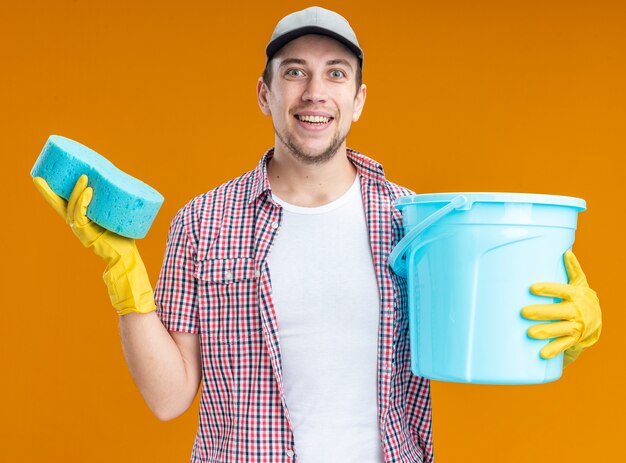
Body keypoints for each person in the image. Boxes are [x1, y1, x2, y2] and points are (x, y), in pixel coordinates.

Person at [33, 6, 602, 463]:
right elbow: (168, 398)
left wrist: (554, 338)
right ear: (265, 94)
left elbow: (479, 332)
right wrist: (125, 274)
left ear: (357, 100)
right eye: (294, 71)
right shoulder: (203, 223)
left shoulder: (413, 219)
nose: (314, 92)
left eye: (335, 73)